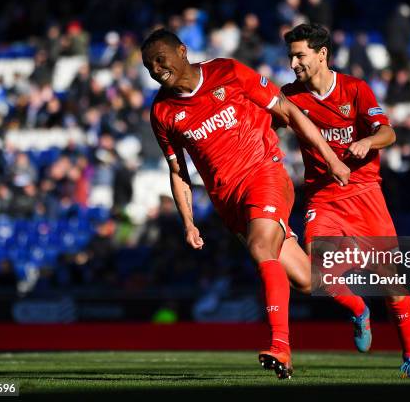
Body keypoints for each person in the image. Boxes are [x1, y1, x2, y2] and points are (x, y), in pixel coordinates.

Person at [142, 28, 350, 379]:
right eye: (149, 65)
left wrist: (330, 158)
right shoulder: (162, 112)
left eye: (160, 59)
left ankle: (281, 347)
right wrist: (188, 222)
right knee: (304, 279)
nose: (156, 69)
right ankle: (358, 303)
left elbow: (287, 110)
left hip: (264, 175)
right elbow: (177, 171)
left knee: (259, 249)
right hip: (229, 200)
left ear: (182, 50)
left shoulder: (227, 72)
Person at [281, 23, 410, 379]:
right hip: (323, 195)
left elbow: (388, 132)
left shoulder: (355, 89)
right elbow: (264, 125)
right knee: (315, 271)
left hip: (365, 195)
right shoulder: (290, 95)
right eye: (291, 56)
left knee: (392, 283)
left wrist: (369, 142)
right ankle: (358, 308)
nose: (294, 63)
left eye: (300, 55)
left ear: (322, 54)